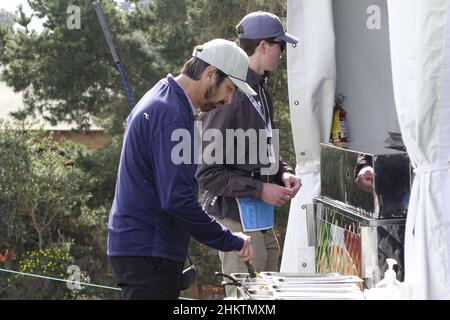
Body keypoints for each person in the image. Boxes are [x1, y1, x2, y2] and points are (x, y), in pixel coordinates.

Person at [107, 39, 255, 300]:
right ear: (210, 74)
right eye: (229, 88)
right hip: (149, 253)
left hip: (143, 249)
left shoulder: (164, 97)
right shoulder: (172, 113)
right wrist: (230, 239)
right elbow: (177, 200)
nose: (230, 99)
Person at [196, 11, 302, 296]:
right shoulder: (227, 95)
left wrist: (283, 171)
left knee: (269, 297)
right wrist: (260, 189)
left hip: (262, 221)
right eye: (280, 45)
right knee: (244, 300)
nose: (282, 52)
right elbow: (208, 173)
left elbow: (262, 149)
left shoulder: (262, 91)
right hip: (235, 222)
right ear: (264, 46)